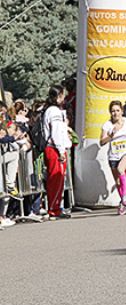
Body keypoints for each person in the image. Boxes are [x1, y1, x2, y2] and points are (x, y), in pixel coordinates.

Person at [99, 101, 126, 215]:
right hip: (113, 155)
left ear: (122, 111)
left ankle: (124, 197)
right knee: (118, 182)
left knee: (121, 169)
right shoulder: (107, 125)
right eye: (113, 111)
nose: (115, 113)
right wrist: (111, 135)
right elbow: (102, 142)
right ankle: (123, 203)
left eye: (117, 110)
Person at [42, 85, 73, 219]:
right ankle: (53, 209)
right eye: (62, 95)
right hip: (54, 149)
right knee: (56, 179)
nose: (64, 97)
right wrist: (61, 150)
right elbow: (55, 133)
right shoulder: (53, 111)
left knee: (59, 179)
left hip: (56, 148)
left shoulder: (56, 111)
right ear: (57, 96)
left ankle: (57, 207)